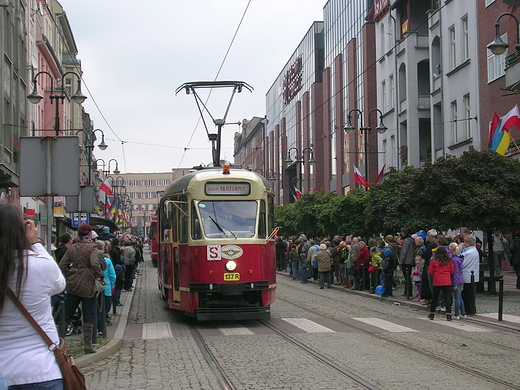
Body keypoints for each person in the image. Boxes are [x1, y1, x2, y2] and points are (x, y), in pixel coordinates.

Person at [0, 204, 66, 388]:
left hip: (4, 373)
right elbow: (59, 285)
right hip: (41, 370)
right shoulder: (40, 266)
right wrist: (35, 244)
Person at [58, 223, 104, 354]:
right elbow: (94, 264)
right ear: (89, 233)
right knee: (88, 314)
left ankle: (59, 342)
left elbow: (62, 264)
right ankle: (88, 345)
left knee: (67, 313)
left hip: (73, 283)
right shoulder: (92, 247)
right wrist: (100, 276)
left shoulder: (72, 247)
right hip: (88, 284)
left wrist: (70, 274)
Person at [428, 246, 455, 321]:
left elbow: (430, 272)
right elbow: (452, 271)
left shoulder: (434, 261)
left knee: (435, 297)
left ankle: (432, 313)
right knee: (447, 298)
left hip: (437, 281)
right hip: (446, 281)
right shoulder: (449, 261)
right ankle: (448, 314)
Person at [461, 235, 479, 315]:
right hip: (470, 274)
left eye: (465, 242)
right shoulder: (471, 251)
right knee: (468, 294)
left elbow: (463, 264)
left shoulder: (469, 252)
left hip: (468, 275)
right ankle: (468, 309)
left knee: (468, 294)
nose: (464, 244)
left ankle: (469, 310)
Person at [449, 242, 466, 319]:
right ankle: (463, 312)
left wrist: (454, 284)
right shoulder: (459, 258)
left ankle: (456, 314)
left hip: (456, 279)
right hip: (460, 278)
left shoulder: (454, 260)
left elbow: (455, 272)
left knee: (457, 297)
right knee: (459, 297)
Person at [399, 228, 416, 300]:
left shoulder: (406, 241)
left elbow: (404, 252)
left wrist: (401, 262)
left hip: (406, 261)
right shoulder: (411, 241)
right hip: (410, 261)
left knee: (407, 278)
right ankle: (408, 293)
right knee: (408, 277)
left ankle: (408, 293)